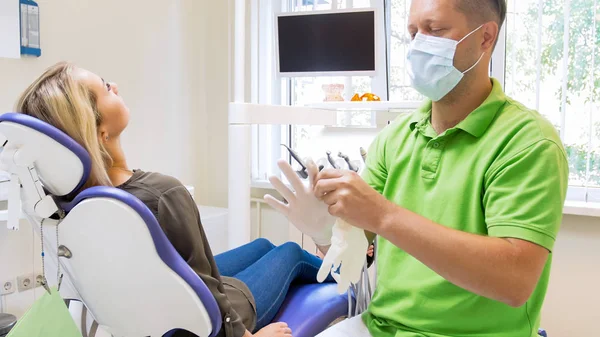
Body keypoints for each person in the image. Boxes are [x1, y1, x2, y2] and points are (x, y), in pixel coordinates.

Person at [266, 0, 569, 336]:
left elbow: (514, 281)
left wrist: (383, 215)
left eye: (435, 30)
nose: (418, 46)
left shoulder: (528, 142)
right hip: (381, 327)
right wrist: (327, 231)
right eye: (413, 33)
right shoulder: (395, 137)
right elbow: (357, 251)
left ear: (485, 37)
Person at [14, 62, 340, 337]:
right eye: (105, 88)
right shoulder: (161, 193)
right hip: (209, 318)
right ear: (100, 131)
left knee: (264, 246)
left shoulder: (69, 205)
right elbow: (213, 309)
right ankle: (356, 278)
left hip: (156, 305)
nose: (115, 85)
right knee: (291, 251)